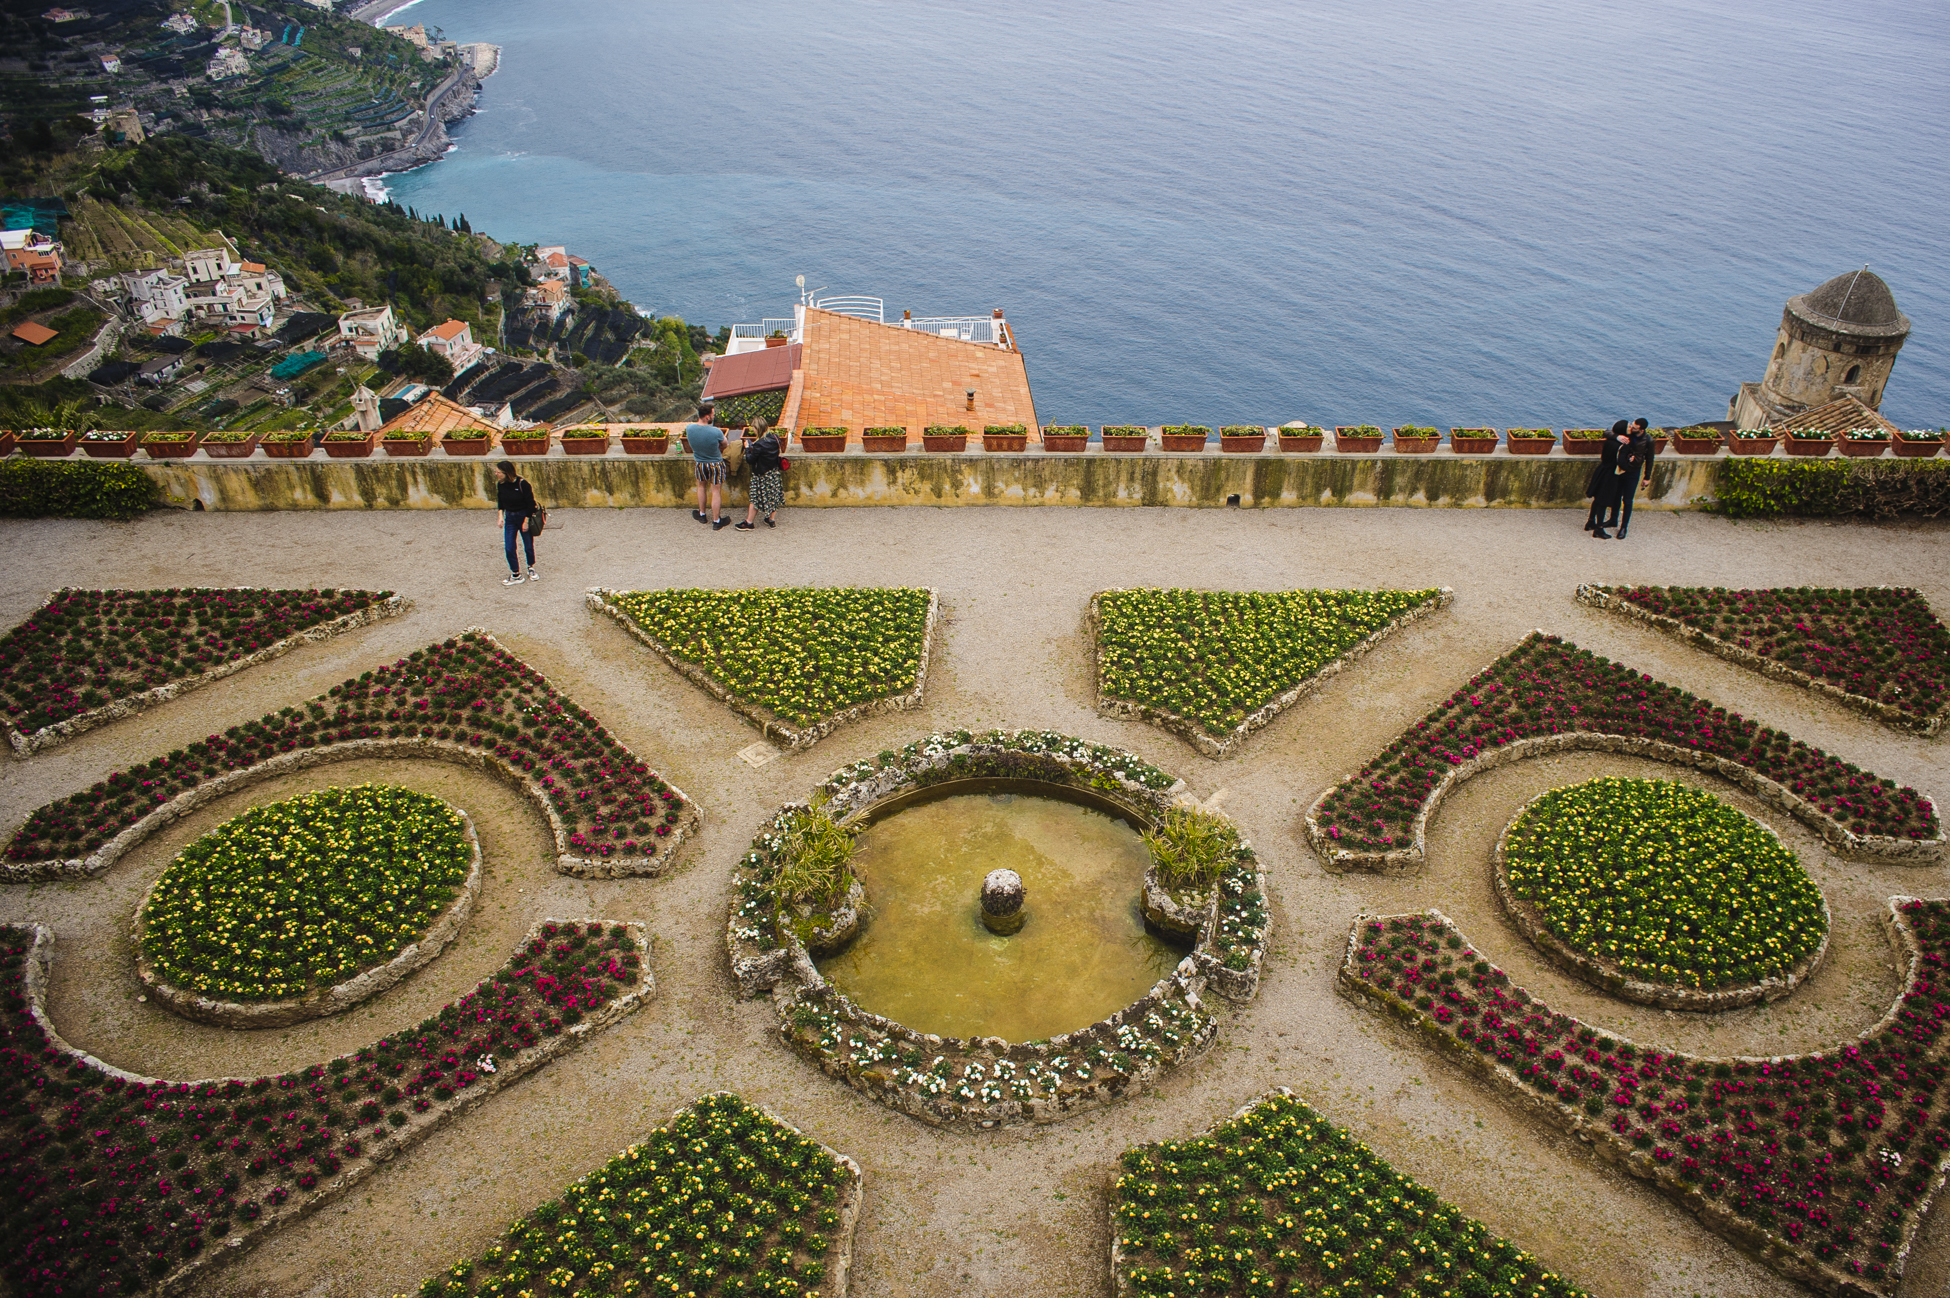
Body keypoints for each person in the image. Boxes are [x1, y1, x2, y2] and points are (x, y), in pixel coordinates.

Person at [494, 460, 539, 584]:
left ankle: (531, 567)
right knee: (509, 547)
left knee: (528, 545)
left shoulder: (522, 484)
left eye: (498, 472)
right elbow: (500, 501)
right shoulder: (501, 484)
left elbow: (531, 503)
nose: (496, 474)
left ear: (506, 473)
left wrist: (526, 520)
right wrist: (500, 516)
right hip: (510, 518)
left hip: (523, 515)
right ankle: (515, 573)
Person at [687, 404, 730, 530]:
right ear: (707, 417)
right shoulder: (715, 431)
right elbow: (725, 444)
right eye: (712, 414)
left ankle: (702, 514)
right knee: (715, 491)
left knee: (701, 487)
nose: (713, 416)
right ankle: (716, 521)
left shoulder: (689, 428)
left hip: (700, 463)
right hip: (716, 464)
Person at [737, 417, 784, 531]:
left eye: (754, 428)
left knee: (755, 498)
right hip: (773, 472)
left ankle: (749, 522)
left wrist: (748, 448)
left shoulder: (759, 444)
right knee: (774, 496)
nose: (753, 430)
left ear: (758, 428)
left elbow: (750, 460)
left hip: (761, 475)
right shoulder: (775, 438)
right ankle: (771, 520)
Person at [1615, 417, 1656, 540]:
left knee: (1627, 500)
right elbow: (1608, 432)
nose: (1632, 428)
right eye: (1632, 425)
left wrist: (1647, 477)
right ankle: (1613, 520)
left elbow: (1649, 459)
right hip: (1621, 469)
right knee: (1616, 495)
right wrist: (1617, 437)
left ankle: (1624, 527)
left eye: (1635, 427)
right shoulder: (1627, 433)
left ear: (1641, 430)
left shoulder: (1648, 441)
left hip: (1633, 471)